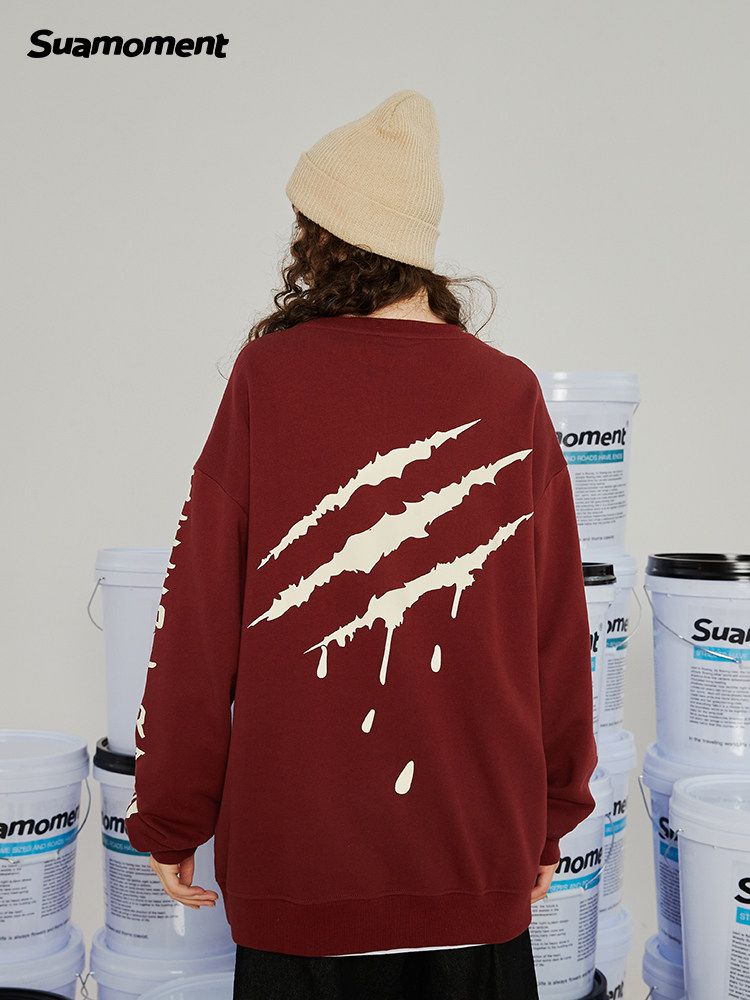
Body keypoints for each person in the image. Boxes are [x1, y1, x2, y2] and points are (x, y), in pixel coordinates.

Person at [126, 90, 597, 1000]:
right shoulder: (509, 393)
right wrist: (549, 816)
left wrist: (173, 813)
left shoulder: (269, 378)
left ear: (326, 238)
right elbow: (556, 631)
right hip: (474, 857)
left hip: (299, 868)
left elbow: (196, 619)